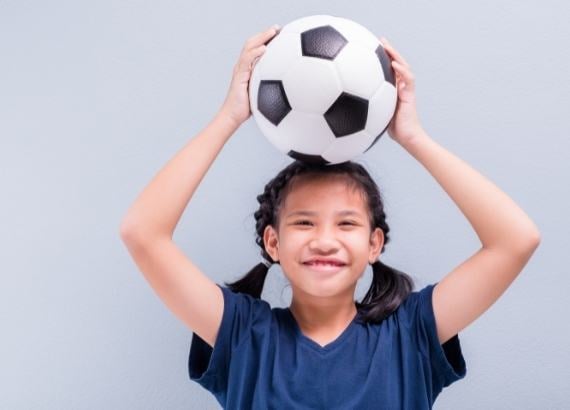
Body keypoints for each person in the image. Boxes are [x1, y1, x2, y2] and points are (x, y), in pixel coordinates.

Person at [119, 25, 541, 409]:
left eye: (346, 223)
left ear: (374, 244)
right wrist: (228, 117)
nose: (324, 239)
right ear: (273, 243)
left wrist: (414, 137)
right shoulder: (242, 334)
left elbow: (516, 239)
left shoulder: (409, 333)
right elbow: (143, 232)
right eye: (304, 222)